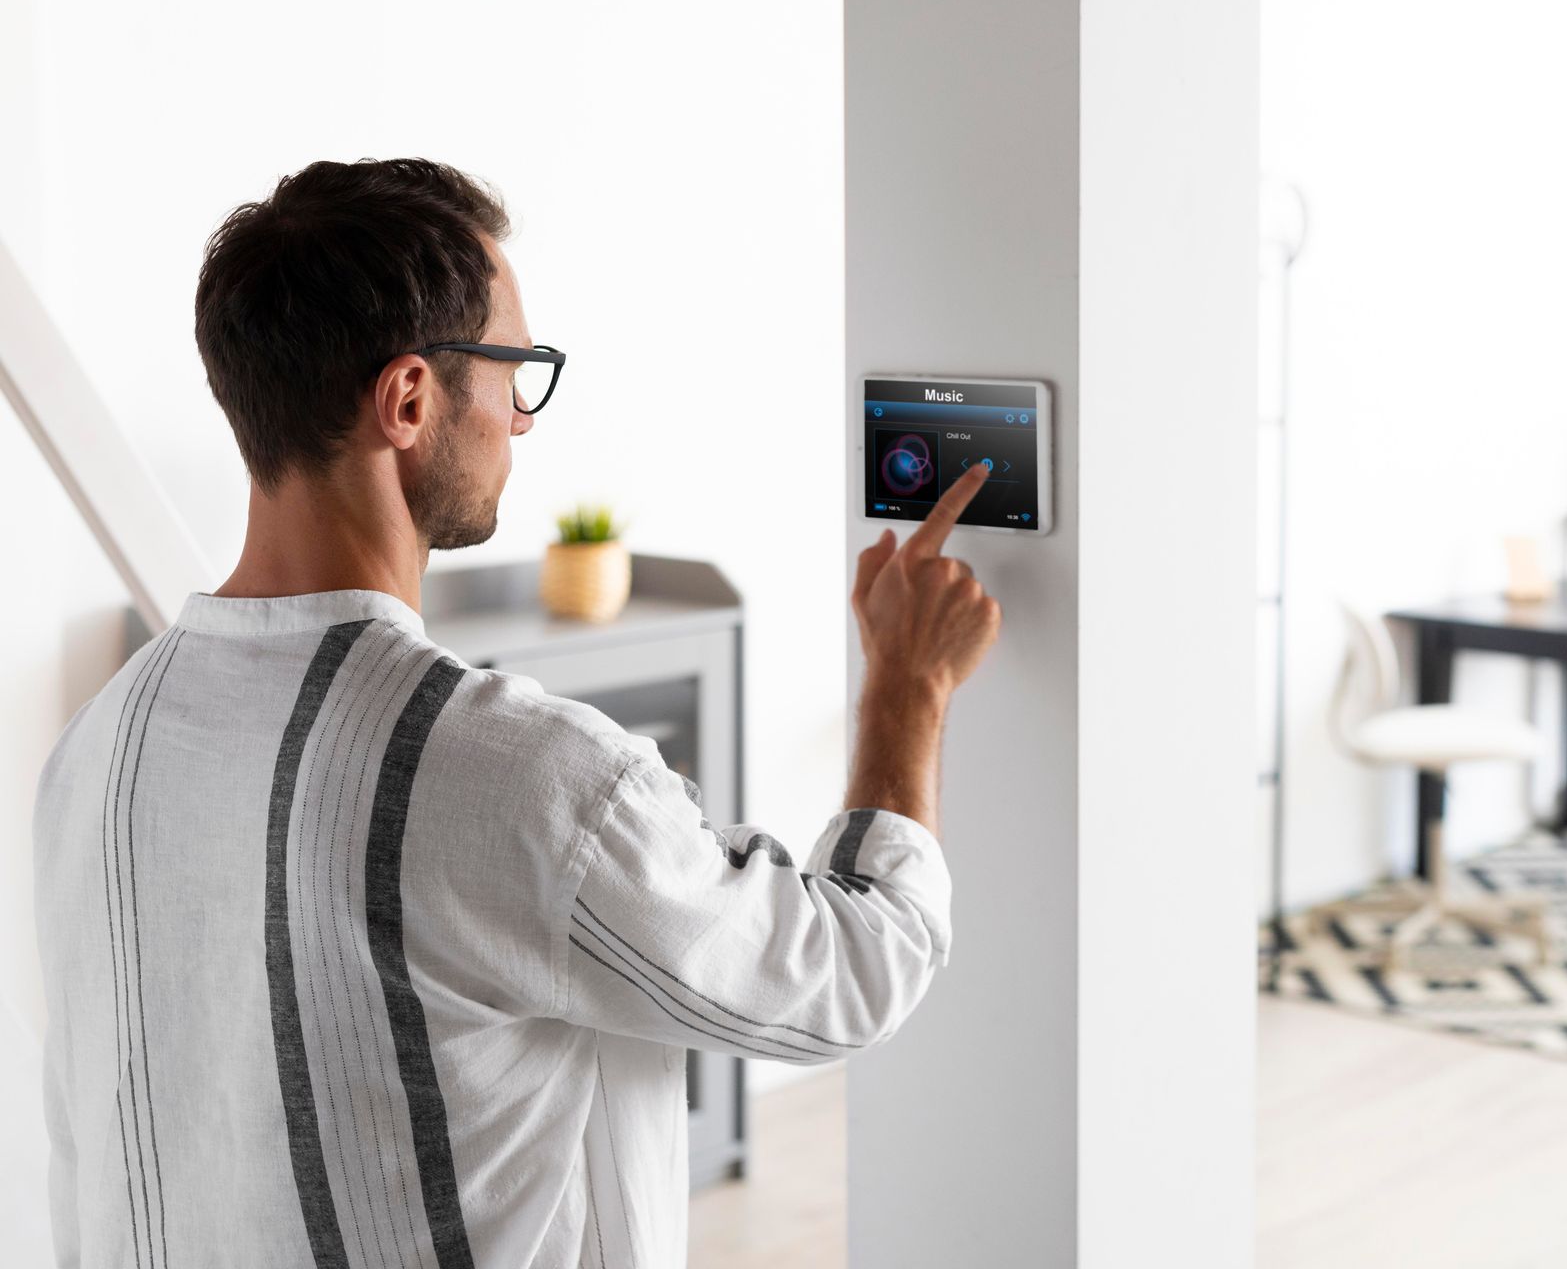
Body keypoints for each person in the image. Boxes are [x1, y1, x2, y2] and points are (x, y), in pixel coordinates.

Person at [32, 158, 999, 1268]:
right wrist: (906, 687)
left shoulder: (96, 749)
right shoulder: (519, 776)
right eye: (514, 371)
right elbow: (848, 968)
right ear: (409, 400)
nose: (522, 420)